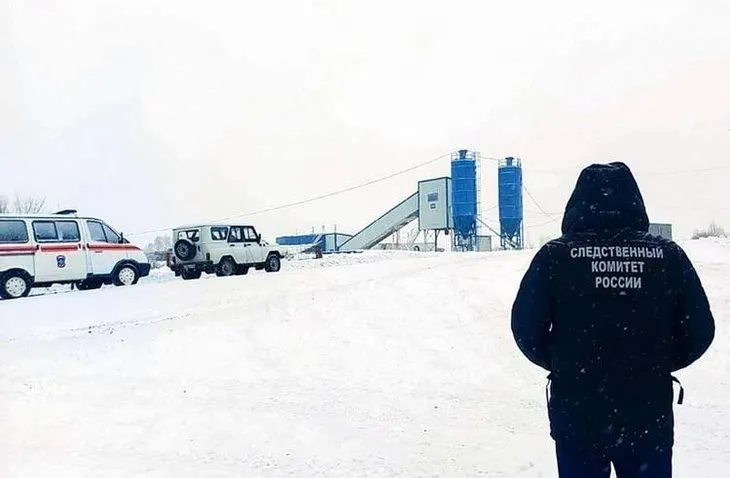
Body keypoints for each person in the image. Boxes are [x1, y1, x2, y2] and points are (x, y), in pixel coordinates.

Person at [511, 162, 715, 478]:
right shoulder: (668, 255)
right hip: (647, 417)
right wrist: (656, 361)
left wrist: (567, 361)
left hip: (578, 416)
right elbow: (700, 330)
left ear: (577, 202)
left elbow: (525, 329)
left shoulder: (555, 256)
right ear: (634, 201)